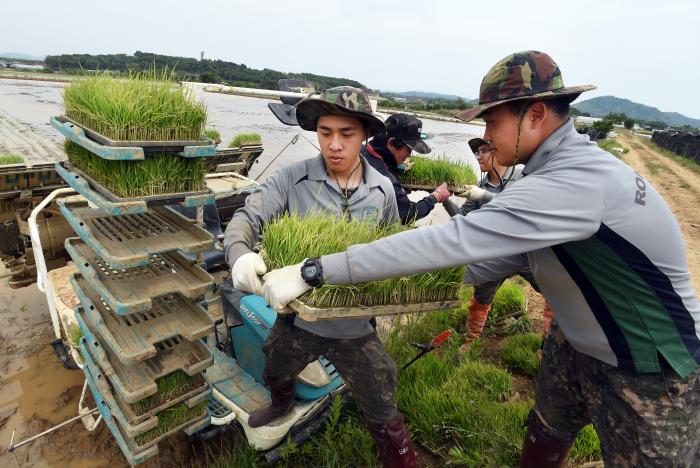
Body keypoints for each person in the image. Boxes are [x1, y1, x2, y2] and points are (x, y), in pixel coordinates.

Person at [260, 52, 700, 467]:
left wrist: (315, 270)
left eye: (492, 120)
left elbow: (453, 241)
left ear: (536, 115)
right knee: (547, 431)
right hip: (576, 339)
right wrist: (394, 284)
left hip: (647, 363)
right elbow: (506, 257)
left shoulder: (572, 181)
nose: (485, 136)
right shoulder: (550, 171)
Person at [223, 86, 417, 468]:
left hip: (354, 325)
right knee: (275, 362)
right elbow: (247, 218)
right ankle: (282, 402)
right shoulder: (291, 179)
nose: (334, 145)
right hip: (298, 318)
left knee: (382, 393)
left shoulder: (381, 191)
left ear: (364, 136)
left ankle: (400, 458)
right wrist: (240, 255)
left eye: (346, 134)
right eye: (325, 133)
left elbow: (392, 250)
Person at [445, 138, 553, 353]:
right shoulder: (479, 185)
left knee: (554, 294)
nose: (479, 157)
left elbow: (521, 211)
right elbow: (463, 220)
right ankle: (471, 340)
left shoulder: (523, 176)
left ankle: (548, 345)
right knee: (481, 299)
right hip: (494, 255)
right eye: (477, 152)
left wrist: (484, 196)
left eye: (483, 151)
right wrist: (444, 198)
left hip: (527, 253)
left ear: (498, 151)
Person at [363, 113, 450, 224]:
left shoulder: (363, 150)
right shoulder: (385, 179)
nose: (409, 155)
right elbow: (407, 215)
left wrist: (399, 168)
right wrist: (435, 196)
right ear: (391, 143)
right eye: (408, 149)